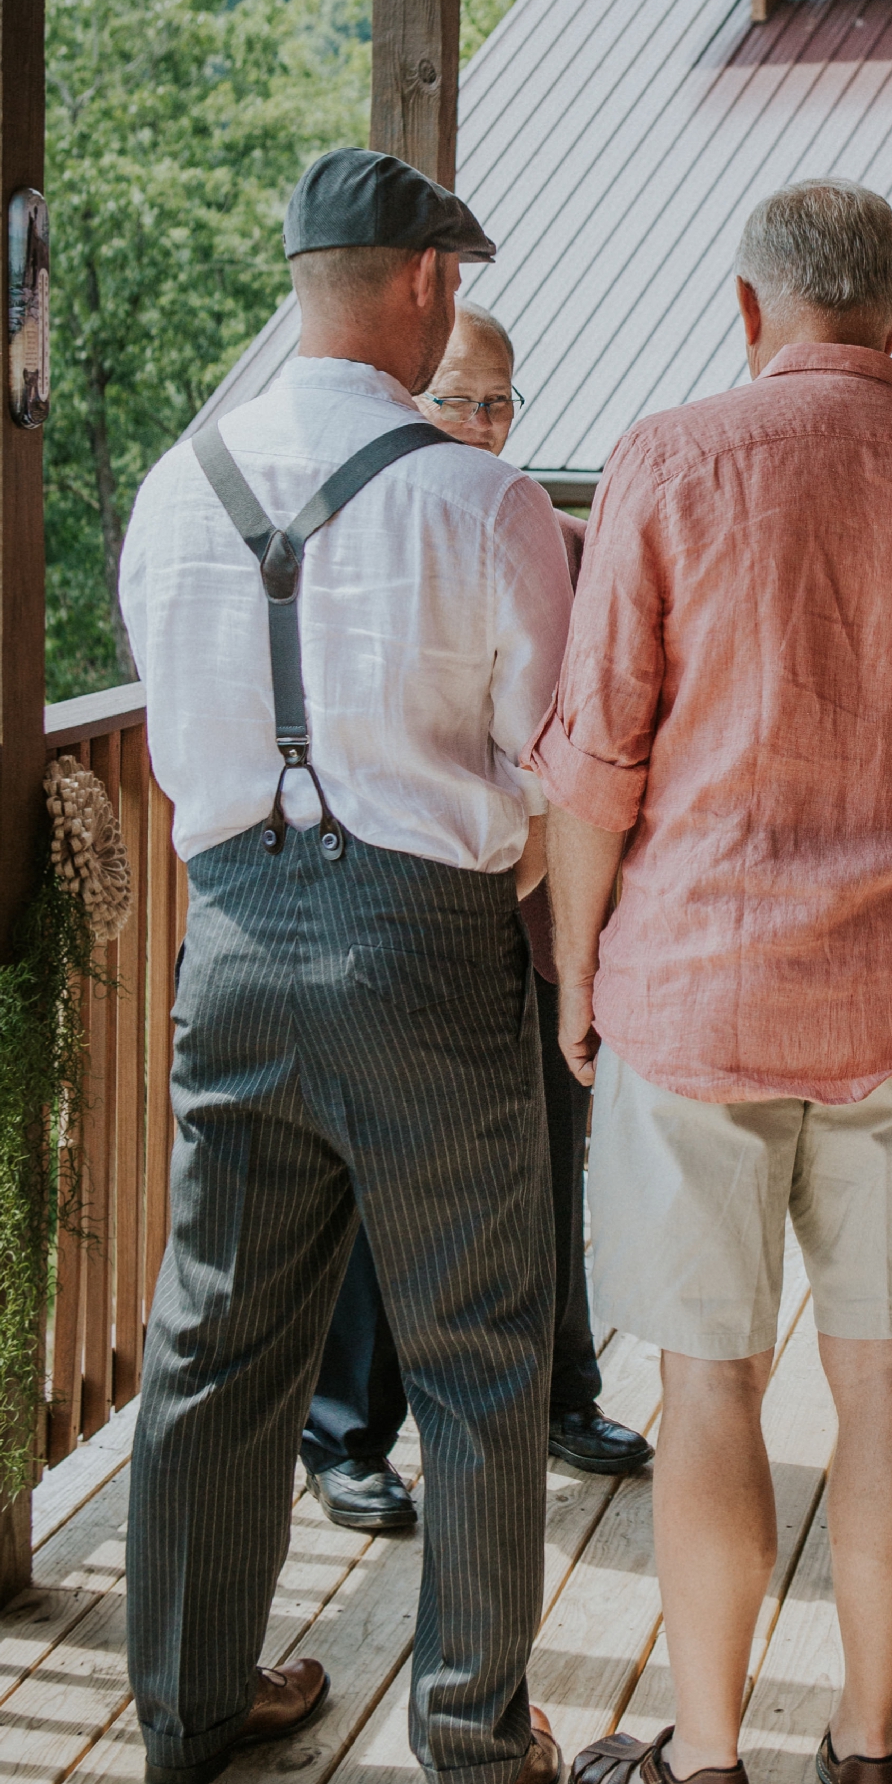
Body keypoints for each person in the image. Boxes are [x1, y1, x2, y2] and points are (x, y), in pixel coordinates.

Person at [534, 181, 892, 1784]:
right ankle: (882, 1756)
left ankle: (703, 1772)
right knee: (890, 1368)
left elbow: (598, 758)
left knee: (705, 1384)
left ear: (751, 311)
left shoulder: (670, 456)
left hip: (700, 986)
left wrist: (577, 968)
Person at [119, 149, 573, 1784]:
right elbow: (558, 749)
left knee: (214, 1334)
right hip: (422, 943)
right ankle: (472, 1743)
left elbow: (176, 714)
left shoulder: (177, 485)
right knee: (473, 1348)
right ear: (423, 284)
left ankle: (188, 1699)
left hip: (231, 935)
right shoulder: (481, 497)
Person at [299, 302, 650, 1533]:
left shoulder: (551, 537)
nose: (481, 425)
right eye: (457, 399)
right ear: (408, 397)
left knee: (548, 1154)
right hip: (415, 904)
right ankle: (347, 1430)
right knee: (375, 1168)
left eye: (498, 403)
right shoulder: (370, 536)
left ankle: (563, 1385)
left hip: (545, 894)